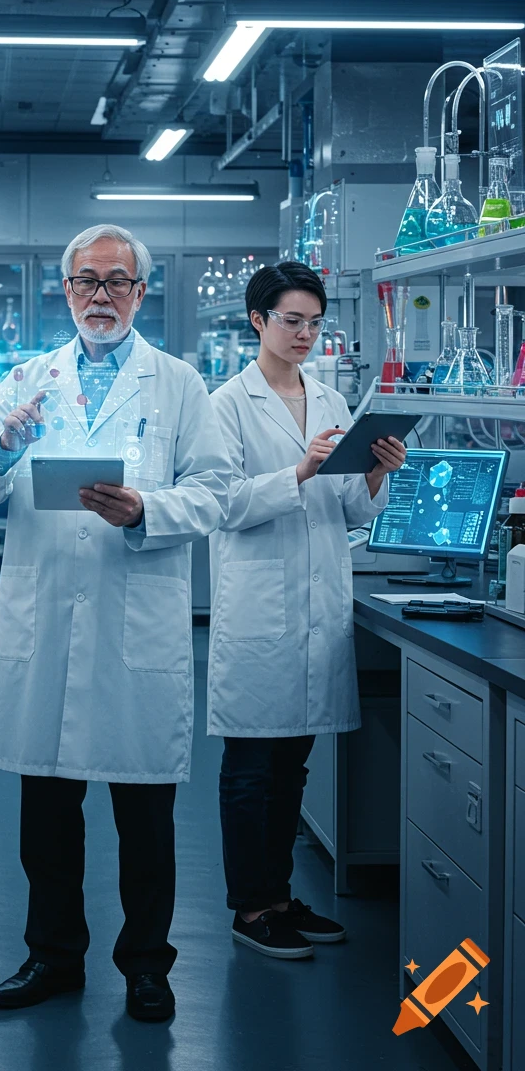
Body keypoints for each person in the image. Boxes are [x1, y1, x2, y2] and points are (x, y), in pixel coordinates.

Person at [0, 223, 229, 1022]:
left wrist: (146, 509)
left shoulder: (178, 384)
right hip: (47, 622)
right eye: (85, 281)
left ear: (141, 292)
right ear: (65, 289)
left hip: (136, 622)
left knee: (145, 817)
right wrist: (5, 447)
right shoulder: (25, 379)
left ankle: (146, 965)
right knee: (46, 816)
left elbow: (214, 490)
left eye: (115, 281)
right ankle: (52, 955)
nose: (99, 295)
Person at [207, 261, 406, 959]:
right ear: (258, 321)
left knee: (292, 766)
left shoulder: (328, 399)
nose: (305, 334)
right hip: (257, 605)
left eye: (315, 324)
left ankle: (281, 897)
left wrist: (375, 469)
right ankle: (250, 907)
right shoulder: (226, 404)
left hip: (316, 603)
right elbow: (223, 504)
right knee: (249, 770)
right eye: (292, 321)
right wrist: (299, 471)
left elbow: (350, 507)